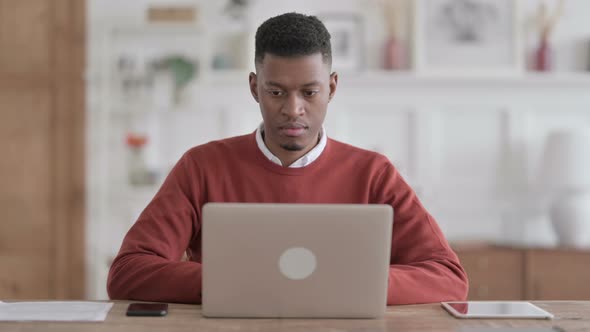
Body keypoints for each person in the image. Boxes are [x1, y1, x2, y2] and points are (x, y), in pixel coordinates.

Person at [107, 12, 468, 305]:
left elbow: (448, 278)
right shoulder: (201, 166)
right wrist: (234, 283)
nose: (293, 110)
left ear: (332, 87)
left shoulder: (374, 173)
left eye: (309, 92)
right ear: (254, 88)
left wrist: (355, 284)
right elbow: (128, 272)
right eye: (276, 92)